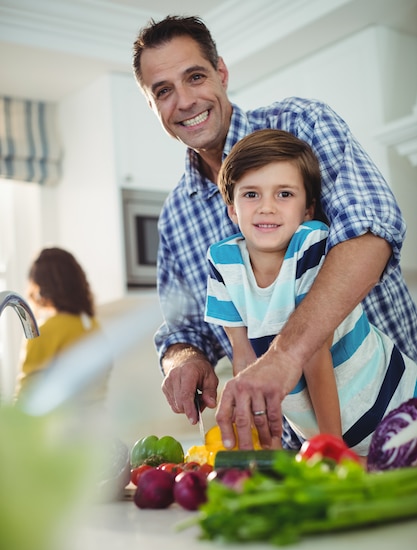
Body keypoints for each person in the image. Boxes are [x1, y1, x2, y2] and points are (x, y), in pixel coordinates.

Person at [132, 15, 417, 451]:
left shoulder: (303, 124)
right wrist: (183, 360)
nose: (185, 100)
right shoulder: (176, 215)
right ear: (152, 107)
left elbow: (370, 233)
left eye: (195, 76)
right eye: (163, 90)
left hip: (398, 412)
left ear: (221, 73)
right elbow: (185, 328)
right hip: (297, 450)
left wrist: (284, 356)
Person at [204, 129, 417, 460]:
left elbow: (316, 352)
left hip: (396, 408)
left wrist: (332, 452)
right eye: (251, 195)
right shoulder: (223, 262)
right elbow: (245, 362)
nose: (267, 208)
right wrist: (268, 456)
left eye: (284, 194)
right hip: (335, 442)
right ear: (232, 210)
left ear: (307, 210)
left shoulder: (310, 243)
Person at [15, 247, 109, 409]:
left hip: (58, 429)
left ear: (41, 288)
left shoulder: (42, 331)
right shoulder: (91, 325)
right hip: (95, 424)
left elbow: (26, 396)